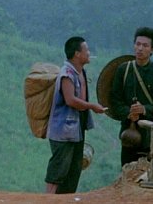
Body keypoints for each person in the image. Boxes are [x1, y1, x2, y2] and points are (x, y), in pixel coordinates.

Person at [45, 36, 107, 194]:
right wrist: (92, 106)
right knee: (59, 169)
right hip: (63, 131)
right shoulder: (67, 74)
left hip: (76, 129)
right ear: (77, 54)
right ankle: (48, 199)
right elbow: (70, 100)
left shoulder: (81, 72)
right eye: (86, 50)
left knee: (73, 171)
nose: (89, 53)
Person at [110, 27, 153, 166]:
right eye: (138, 44)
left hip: (152, 137)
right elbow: (115, 101)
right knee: (128, 172)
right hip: (128, 136)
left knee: (151, 173)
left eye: (145, 45)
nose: (140, 48)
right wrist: (129, 113)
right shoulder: (123, 70)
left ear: (152, 49)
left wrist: (144, 109)